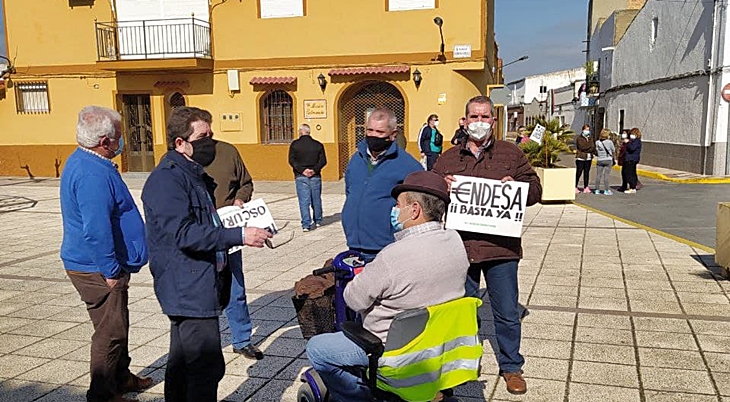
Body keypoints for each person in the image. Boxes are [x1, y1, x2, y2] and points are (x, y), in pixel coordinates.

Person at [142, 106, 272, 402]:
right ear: (180, 143)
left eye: (211, 135)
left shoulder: (193, 174)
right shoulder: (167, 180)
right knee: (205, 367)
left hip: (197, 282)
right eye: (203, 137)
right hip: (187, 285)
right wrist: (239, 235)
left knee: (182, 364)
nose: (209, 143)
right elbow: (184, 233)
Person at [306, 171, 469, 402]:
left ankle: (359, 397)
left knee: (318, 348)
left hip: (389, 348)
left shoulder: (393, 255)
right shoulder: (455, 241)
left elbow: (353, 299)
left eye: (398, 205)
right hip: (438, 342)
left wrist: (366, 276)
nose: (394, 211)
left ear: (414, 210)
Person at [432, 95, 542, 396]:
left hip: (501, 250)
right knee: (461, 311)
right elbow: (431, 197)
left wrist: (516, 187)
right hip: (460, 249)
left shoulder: (511, 154)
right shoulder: (449, 158)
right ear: (464, 121)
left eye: (485, 117)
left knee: (506, 311)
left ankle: (511, 367)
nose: (479, 122)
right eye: (474, 117)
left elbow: (535, 191)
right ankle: (462, 364)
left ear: (493, 121)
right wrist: (444, 186)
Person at [60, 106, 152, 402]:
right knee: (110, 332)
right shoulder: (91, 174)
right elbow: (96, 229)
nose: (122, 142)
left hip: (97, 264)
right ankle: (101, 394)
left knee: (118, 323)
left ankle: (121, 378)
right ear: (105, 141)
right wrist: (110, 271)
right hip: (95, 268)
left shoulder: (89, 162)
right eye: (119, 137)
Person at [199, 112, 264, 361]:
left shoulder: (228, 151)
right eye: (200, 133)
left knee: (235, 287)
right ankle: (204, 343)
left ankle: (241, 340)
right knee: (203, 291)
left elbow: (245, 183)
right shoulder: (181, 159)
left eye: (208, 132)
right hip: (200, 234)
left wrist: (240, 198)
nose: (207, 137)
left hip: (229, 230)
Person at [341, 107, 422, 262]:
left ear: (393, 135)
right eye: (370, 130)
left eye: (380, 132)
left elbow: (417, 208)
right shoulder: (356, 159)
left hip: (387, 247)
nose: (373, 136)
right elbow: (349, 191)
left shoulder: (408, 165)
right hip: (354, 245)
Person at [288, 123, 327, 232]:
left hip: (301, 176)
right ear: (309, 132)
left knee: (304, 201)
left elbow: (291, 160)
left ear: (300, 132)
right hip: (315, 175)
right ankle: (318, 220)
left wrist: (302, 170)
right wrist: (314, 170)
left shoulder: (295, 145)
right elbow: (323, 161)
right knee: (316, 199)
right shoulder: (318, 145)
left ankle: (306, 224)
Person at [575, 124, 595, 194]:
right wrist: (589, 146)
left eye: (588, 129)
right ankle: (575, 186)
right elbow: (582, 147)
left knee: (587, 173)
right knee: (579, 172)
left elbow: (593, 147)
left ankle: (586, 187)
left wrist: (589, 147)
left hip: (588, 158)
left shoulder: (590, 138)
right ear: (583, 130)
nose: (587, 131)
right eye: (586, 129)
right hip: (581, 158)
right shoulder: (579, 138)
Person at [594, 129, 615, 195]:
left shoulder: (597, 142)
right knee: (606, 175)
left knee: (598, 175)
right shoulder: (609, 142)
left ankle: (597, 190)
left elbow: (597, 150)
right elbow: (613, 150)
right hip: (608, 159)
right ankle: (606, 190)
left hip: (600, 159)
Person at [623, 127, 643, 194]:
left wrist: (628, 143)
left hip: (632, 159)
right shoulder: (633, 141)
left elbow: (632, 148)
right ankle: (631, 186)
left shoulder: (636, 141)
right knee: (629, 172)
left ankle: (632, 187)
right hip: (629, 158)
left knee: (630, 173)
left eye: (632, 134)